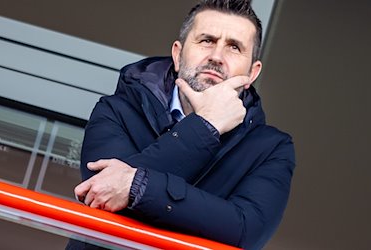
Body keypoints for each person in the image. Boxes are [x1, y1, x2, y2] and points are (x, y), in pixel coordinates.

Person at [69, 0, 295, 249]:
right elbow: (101, 192)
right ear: (178, 54)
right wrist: (206, 124)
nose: (217, 56)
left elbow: (245, 232)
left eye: (234, 47)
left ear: (253, 73)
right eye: (207, 40)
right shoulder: (116, 111)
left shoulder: (272, 148)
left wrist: (137, 185)